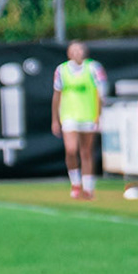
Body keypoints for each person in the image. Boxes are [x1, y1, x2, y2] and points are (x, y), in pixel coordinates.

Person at [51, 40, 108, 200]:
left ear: (85, 52)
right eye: (73, 50)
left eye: (79, 50)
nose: (77, 53)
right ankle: (75, 182)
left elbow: (100, 93)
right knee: (71, 150)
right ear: (68, 53)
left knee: (86, 152)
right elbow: (57, 95)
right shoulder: (61, 70)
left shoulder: (94, 68)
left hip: (88, 115)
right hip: (69, 115)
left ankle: (88, 187)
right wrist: (55, 119)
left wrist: (98, 115)